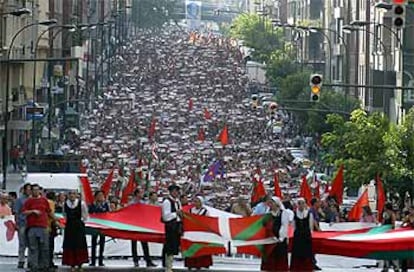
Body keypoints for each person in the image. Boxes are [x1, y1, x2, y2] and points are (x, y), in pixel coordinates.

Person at [22, 183, 52, 272]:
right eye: (34, 190)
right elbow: (23, 212)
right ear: (31, 191)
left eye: (37, 189)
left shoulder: (44, 200)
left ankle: (44, 265)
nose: (36, 191)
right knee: (33, 247)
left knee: (45, 247)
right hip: (32, 227)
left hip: (43, 226)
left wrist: (57, 220)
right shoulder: (28, 201)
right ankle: (34, 266)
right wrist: (32, 211)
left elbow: (49, 212)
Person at [62, 190, 89, 272]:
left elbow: (85, 215)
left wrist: (81, 223)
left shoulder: (81, 204)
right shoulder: (65, 204)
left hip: (78, 227)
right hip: (69, 227)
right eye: (70, 194)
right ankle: (72, 264)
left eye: (74, 194)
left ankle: (80, 264)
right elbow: (64, 215)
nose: (72, 195)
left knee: (80, 245)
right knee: (70, 245)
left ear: (77, 195)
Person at [129, 188, 156, 268]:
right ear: (137, 194)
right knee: (134, 244)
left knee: (145, 243)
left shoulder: (144, 203)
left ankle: (148, 261)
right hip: (133, 225)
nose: (142, 194)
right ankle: (135, 261)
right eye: (140, 192)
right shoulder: (132, 203)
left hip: (142, 225)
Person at [261, 197, 289, 272]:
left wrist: (281, 237)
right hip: (269, 240)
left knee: (280, 259)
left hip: (279, 239)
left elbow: (284, 225)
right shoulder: (267, 214)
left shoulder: (283, 213)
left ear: (277, 204)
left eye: (271, 203)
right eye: (269, 203)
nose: (270, 205)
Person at [184, 196, 213, 270]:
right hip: (192, 233)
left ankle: (202, 264)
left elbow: (208, 222)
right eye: (194, 201)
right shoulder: (190, 211)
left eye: (197, 201)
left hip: (201, 234)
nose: (195, 203)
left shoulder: (205, 211)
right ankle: (191, 264)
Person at [161, 184, 183, 272]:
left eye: (177, 191)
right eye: (174, 191)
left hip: (177, 225)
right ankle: (168, 266)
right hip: (170, 226)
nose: (176, 193)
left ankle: (170, 264)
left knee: (174, 245)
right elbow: (165, 216)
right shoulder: (167, 202)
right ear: (170, 192)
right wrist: (176, 213)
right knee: (169, 245)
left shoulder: (177, 201)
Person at [290, 198, 314, 272]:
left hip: (306, 237)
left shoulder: (309, 214)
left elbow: (311, 226)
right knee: (297, 253)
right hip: (298, 237)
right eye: (299, 203)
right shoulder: (294, 214)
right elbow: (293, 226)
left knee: (306, 253)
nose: (301, 205)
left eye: (303, 203)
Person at [88, 190, 110, 267]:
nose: (100, 197)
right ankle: (93, 261)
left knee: (102, 243)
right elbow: (89, 214)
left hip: (103, 226)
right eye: (99, 195)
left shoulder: (106, 205)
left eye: (102, 195)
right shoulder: (92, 205)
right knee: (93, 243)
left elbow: (108, 214)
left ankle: (101, 260)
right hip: (94, 226)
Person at [14, 183, 31, 269]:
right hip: (22, 223)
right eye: (27, 189)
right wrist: (16, 223)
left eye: (30, 189)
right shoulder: (19, 200)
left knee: (31, 243)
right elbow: (16, 212)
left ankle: (30, 261)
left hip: (31, 224)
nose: (28, 191)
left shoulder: (33, 200)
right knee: (22, 243)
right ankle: (21, 260)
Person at [382, 202, 399, 272]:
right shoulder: (385, 214)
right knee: (385, 251)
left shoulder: (392, 214)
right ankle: (385, 267)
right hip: (385, 234)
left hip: (390, 234)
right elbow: (383, 223)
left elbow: (393, 224)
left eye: (385, 206)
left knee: (392, 251)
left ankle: (396, 267)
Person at [308, 197, 322, 270]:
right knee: (312, 247)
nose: (320, 203)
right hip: (313, 231)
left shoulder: (316, 210)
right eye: (318, 202)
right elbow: (313, 220)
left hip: (315, 231)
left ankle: (313, 262)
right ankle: (312, 262)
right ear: (315, 203)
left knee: (314, 247)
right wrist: (318, 229)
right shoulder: (311, 210)